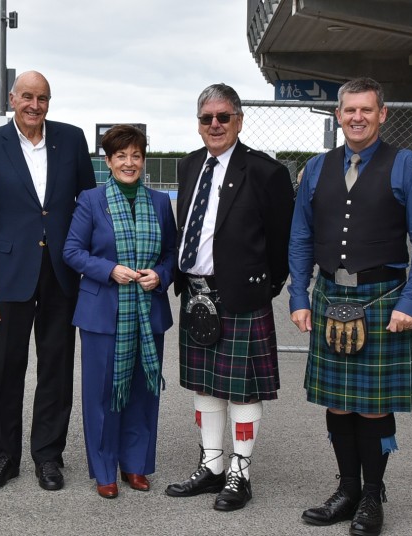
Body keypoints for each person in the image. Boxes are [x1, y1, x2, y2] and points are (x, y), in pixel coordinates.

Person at [289, 77, 412, 536]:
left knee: (373, 407)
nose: (357, 117)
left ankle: (373, 496)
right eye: (349, 110)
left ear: (382, 114)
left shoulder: (408, 166)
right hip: (330, 295)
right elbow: (300, 237)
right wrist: (300, 295)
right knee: (337, 403)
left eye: (366, 110)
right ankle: (347, 490)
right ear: (338, 115)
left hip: (383, 300)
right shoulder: (316, 168)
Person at [165, 83, 294, 511]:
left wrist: (262, 288)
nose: (215, 124)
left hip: (241, 297)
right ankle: (213, 465)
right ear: (198, 123)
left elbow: (281, 242)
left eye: (224, 117)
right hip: (196, 295)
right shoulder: (187, 167)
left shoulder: (264, 172)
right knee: (205, 387)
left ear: (239, 120)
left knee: (241, 392)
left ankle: (241, 473)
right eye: (207, 118)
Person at [0, 70, 96, 491]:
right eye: (27, 97)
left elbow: (88, 205)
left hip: (61, 272)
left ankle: (48, 456)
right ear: (12, 99)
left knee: (56, 369)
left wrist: (87, 260)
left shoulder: (72, 140)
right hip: (8, 275)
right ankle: (4, 455)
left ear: (49, 102)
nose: (34, 105)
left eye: (42, 98)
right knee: (6, 369)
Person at [63, 125, 177, 498]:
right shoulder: (91, 201)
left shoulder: (160, 203)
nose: (129, 163)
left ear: (144, 160)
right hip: (102, 314)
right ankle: (103, 468)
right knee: (102, 393)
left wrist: (158, 276)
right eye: (121, 156)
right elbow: (73, 251)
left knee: (144, 391)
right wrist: (109, 270)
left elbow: (172, 256)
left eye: (136, 155)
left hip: (147, 310)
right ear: (108, 160)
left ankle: (135, 465)